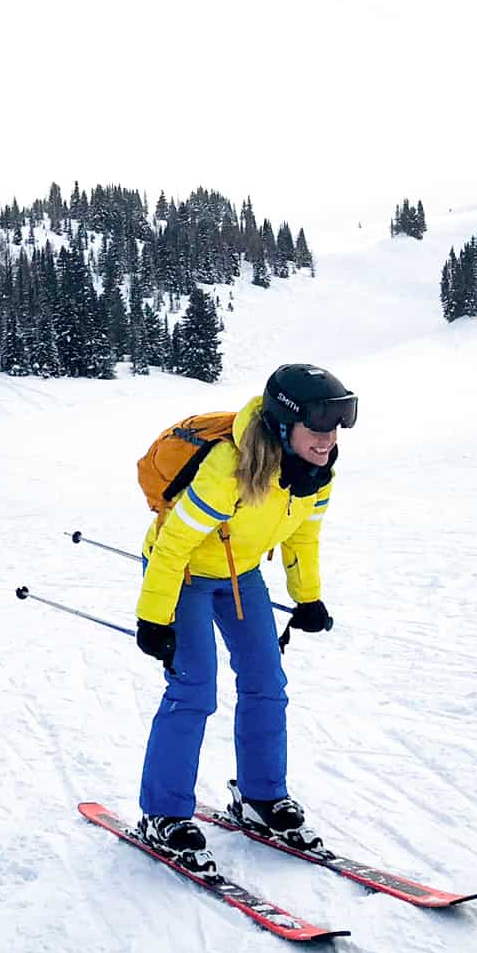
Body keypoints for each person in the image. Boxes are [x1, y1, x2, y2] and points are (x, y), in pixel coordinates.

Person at [132, 364, 358, 873]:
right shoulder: (228, 470)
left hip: (241, 575)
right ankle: (164, 814)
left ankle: (262, 797)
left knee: (265, 682)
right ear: (283, 424)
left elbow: (303, 535)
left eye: (335, 430)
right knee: (193, 690)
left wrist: (309, 598)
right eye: (317, 430)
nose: (327, 441)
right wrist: (154, 618)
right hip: (185, 572)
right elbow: (173, 545)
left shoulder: (316, 474)